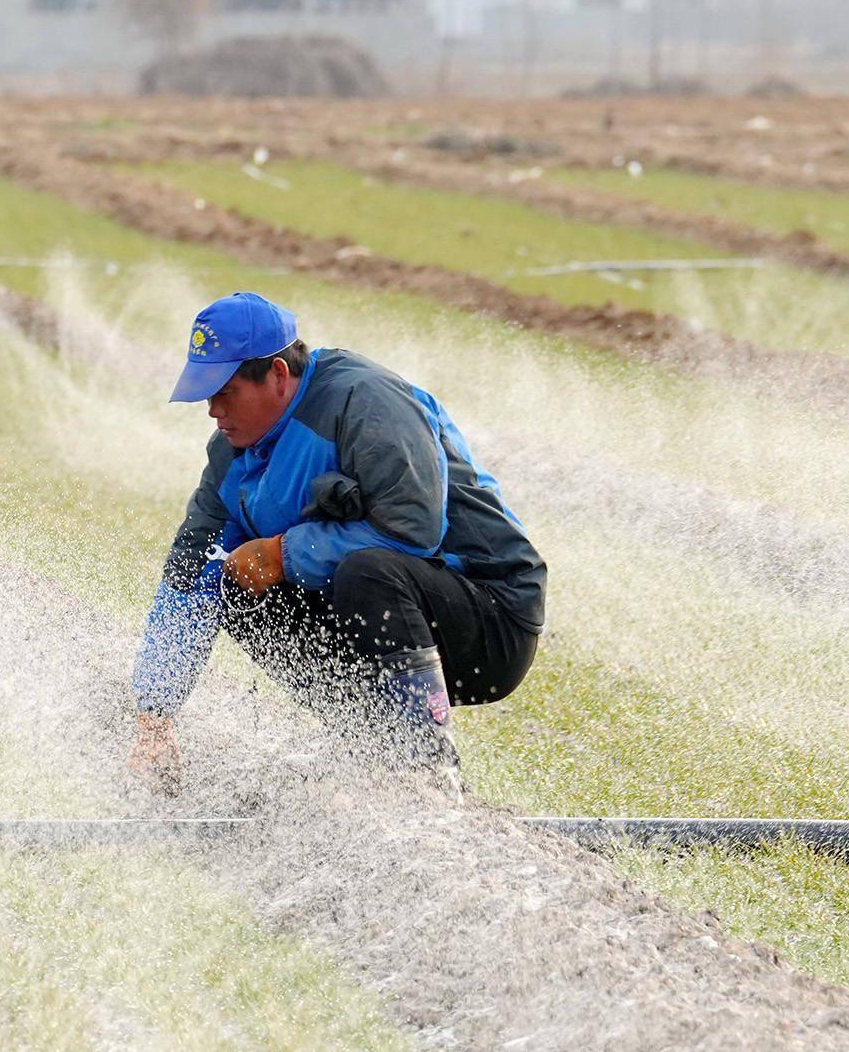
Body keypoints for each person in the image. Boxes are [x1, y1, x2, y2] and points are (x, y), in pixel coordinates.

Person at [125, 291, 546, 791]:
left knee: (366, 571)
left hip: (491, 617)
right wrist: (155, 717)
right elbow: (191, 571)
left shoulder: (366, 401)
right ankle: (371, 751)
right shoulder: (232, 452)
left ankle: (427, 777)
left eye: (226, 392)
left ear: (278, 374)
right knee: (232, 581)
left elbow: (413, 531)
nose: (213, 410)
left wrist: (282, 553)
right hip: (388, 616)